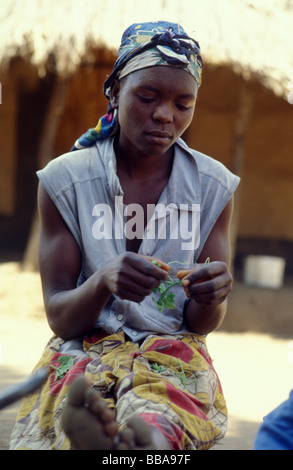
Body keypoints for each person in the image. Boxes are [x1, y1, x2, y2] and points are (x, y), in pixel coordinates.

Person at [10, 21, 240, 451]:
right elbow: (61, 318)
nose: (165, 115)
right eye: (148, 97)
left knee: (163, 408)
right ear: (114, 91)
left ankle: (142, 440)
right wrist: (102, 281)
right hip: (84, 347)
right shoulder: (66, 181)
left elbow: (199, 326)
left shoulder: (214, 187)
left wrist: (214, 298)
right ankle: (118, 438)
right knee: (79, 398)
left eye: (182, 103)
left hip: (172, 353)